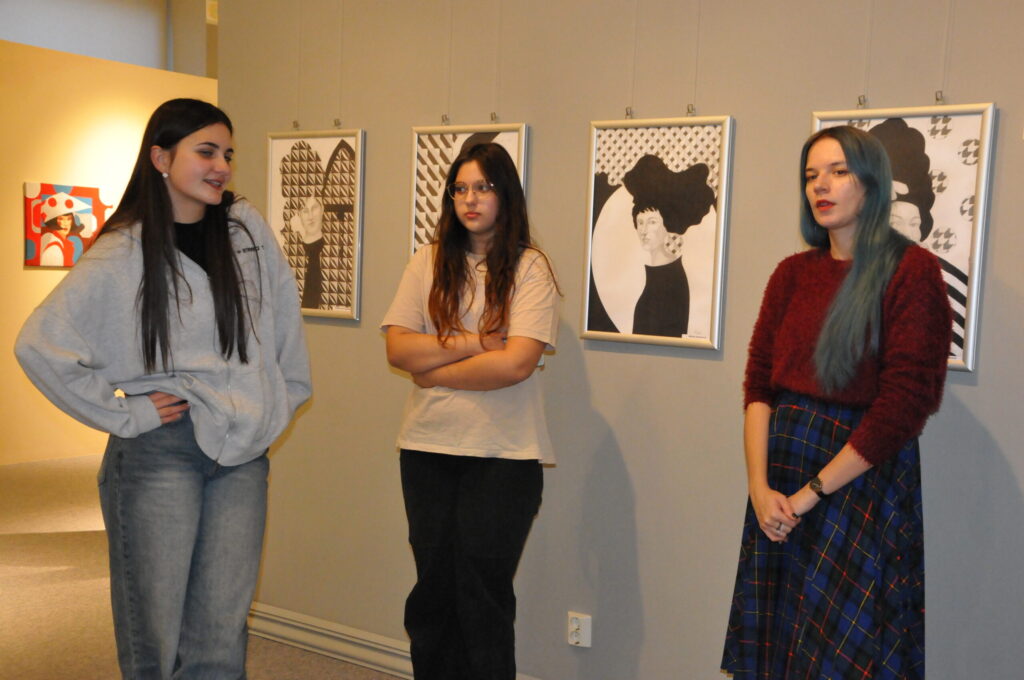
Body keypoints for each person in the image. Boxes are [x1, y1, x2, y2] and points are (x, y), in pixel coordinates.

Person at [16, 98, 312, 679]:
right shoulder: (122, 250)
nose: (221, 166)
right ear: (160, 158)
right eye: (206, 151)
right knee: (155, 634)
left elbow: (283, 319)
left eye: (227, 153)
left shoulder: (244, 228)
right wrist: (129, 416)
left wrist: (277, 401)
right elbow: (40, 345)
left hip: (242, 455)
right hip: (160, 452)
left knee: (222, 632)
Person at [720, 126, 951, 680]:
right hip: (779, 488)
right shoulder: (791, 274)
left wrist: (808, 496)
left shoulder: (912, 271)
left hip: (856, 487)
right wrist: (760, 490)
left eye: (838, 172)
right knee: (777, 650)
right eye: (811, 176)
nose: (820, 186)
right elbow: (759, 388)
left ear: (871, 183)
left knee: (847, 653)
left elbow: (903, 406)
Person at [382, 142, 559, 680]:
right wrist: (478, 342)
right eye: (460, 189)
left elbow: (516, 364)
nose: (470, 199)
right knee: (432, 595)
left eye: (483, 187)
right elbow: (399, 350)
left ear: (506, 195)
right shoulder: (427, 261)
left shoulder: (531, 268)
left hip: (504, 457)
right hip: (426, 449)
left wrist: (434, 366)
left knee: (482, 597)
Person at [621, 154, 715, 337]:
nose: (644, 230)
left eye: (652, 222)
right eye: (640, 222)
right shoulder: (653, 276)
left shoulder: (672, 280)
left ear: (666, 226)